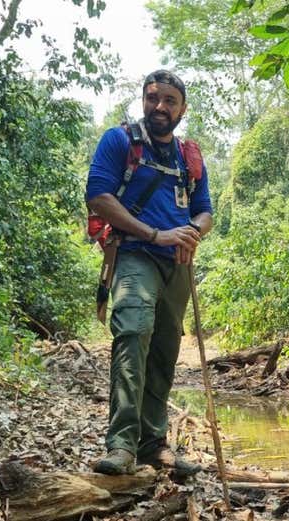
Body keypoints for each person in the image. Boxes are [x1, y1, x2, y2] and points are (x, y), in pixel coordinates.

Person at [86, 70, 213, 476]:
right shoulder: (119, 141)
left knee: (164, 349)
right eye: (152, 98)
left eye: (169, 100)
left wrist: (192, 232)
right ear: (143, 100)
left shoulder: (189, 156)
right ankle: (121, 445)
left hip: (178, 264)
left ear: (182, 108)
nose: (160, 106)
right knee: (133, 333)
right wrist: (156, 234)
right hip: (134, 254)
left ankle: (153, 444)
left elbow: (205, 211)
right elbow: (98, 196)